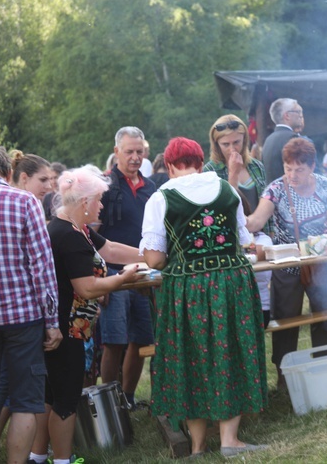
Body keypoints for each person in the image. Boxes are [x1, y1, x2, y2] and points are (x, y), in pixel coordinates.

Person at [141, 138, 268, 458]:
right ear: (201, 161)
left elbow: (154, 260)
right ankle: (230, 440)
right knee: (233, 352)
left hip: (188, 290)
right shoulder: (228, 191)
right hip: (231, 282)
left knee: (189, 358)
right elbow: (243, 240)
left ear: (169, 166)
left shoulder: (161, 197)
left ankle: (198, 445)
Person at [29, 165, 146, 464]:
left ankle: (37, 456)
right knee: (65, 399)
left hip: (61, 326)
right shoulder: (68, 235)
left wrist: (149, 254)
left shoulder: (72, 228)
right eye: (99, 200)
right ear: (84, 203)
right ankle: (63, 460)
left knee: (50, 397)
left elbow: (111, 251)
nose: (102, 205)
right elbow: (89, 287)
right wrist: (124, 278)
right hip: (65, 329)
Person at [0, 143, 61, 464]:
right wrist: (52, 321)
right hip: (23, 319)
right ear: (7, 172)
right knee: (26, 403)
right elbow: (42, 267)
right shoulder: (24, 202)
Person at [246, 138, 327, 387]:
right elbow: (256, 221)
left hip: (320, 262)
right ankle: (284, 376)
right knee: (286, 319)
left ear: (312, 167)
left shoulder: (326, 187)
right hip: (286, 263)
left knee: (323, 315)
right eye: (288, 168)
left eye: (299, 169)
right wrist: (234, 221)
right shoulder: (276, 189)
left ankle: (324, 366)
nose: (292, 175)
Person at [97, 126, 157, 408]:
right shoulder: (103, 187)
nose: (135, 157)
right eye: (129, 151)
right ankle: (110, 403)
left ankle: (128, 398)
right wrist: (98, 276)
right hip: (112, 273)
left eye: (139, 151)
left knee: (142, 338)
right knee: (115, 340)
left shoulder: (152, 188)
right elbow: (90, 234)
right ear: (116, 152)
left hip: (146, 274)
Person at [203, 114, 274, 325]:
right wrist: (232, 175)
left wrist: (269, 232)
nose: (232, 148)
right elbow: (220, 209)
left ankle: (263, 310)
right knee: (247, 272)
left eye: (237, 142)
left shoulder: (256, 167)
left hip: (258, 235)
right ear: (216, 144)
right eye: (225, 144)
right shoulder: (210, 171)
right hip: (229, 241)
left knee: (262, 270)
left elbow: (265, 201)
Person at [262, 98, 305, 183]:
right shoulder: (292, 138)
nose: (301, 116)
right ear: (287, 116)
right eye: (298, 112)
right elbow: (302, 171)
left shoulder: (269, 139)